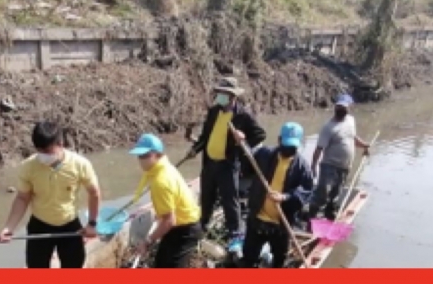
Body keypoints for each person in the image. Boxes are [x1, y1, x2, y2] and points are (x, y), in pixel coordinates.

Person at [0, 121, 100, 267]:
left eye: (48, 152)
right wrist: (9, 227)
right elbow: (22, 198)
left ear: (61, 143)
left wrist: (92, 223)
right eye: (41, 152)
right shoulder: (28, 166)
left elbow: (94, 193)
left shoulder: (80, 164)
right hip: (40, 226)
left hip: (69, 225)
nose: (44, 156)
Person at [186, 77, 266, 258]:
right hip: (209, 163)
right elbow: (206, 136)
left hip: (228, 164)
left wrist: (243, 138)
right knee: (206, 196)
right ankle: (203, 225)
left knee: (230, 200)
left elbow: (260, 135)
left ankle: (235, 236)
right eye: (219, 93)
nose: (219, 96)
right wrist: (195, 149)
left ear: (232, 96)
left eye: (223, 93)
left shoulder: (243, 116)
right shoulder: (214, 111)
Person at [241, 123, 315, 268]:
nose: (290, 149)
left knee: (279, 259)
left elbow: (306, 192)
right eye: (287, 145)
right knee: (248, 257)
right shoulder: (264, 154)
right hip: (257, 218)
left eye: (293, 146)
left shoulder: (302, 167)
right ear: (279, 140)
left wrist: (285, 197)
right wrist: (242, 146)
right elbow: (246, 168)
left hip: (280, 224)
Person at [129, 134, 203, 268]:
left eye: (145, 155)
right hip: (178, 226)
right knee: (161, 263)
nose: (141, 160)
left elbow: (169, 221)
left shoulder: (161, 181)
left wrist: (148, 241)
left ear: (156, 154)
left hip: (186, 230)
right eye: (139, 156)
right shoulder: (164, 167)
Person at [307, 94, 371, 222]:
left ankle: (330, 213)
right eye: (339, 107)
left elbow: (352, 137)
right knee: (322, 192)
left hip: (345, 165)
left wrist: (364, 145)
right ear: (335, 107)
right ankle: (312, 215)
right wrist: (313, 166)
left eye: (344, 107)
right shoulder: (328, 127)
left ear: (349, 107)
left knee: (337, 192)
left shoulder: (351, 121)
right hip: (329, 165)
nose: (341, 109)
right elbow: (319, 148)